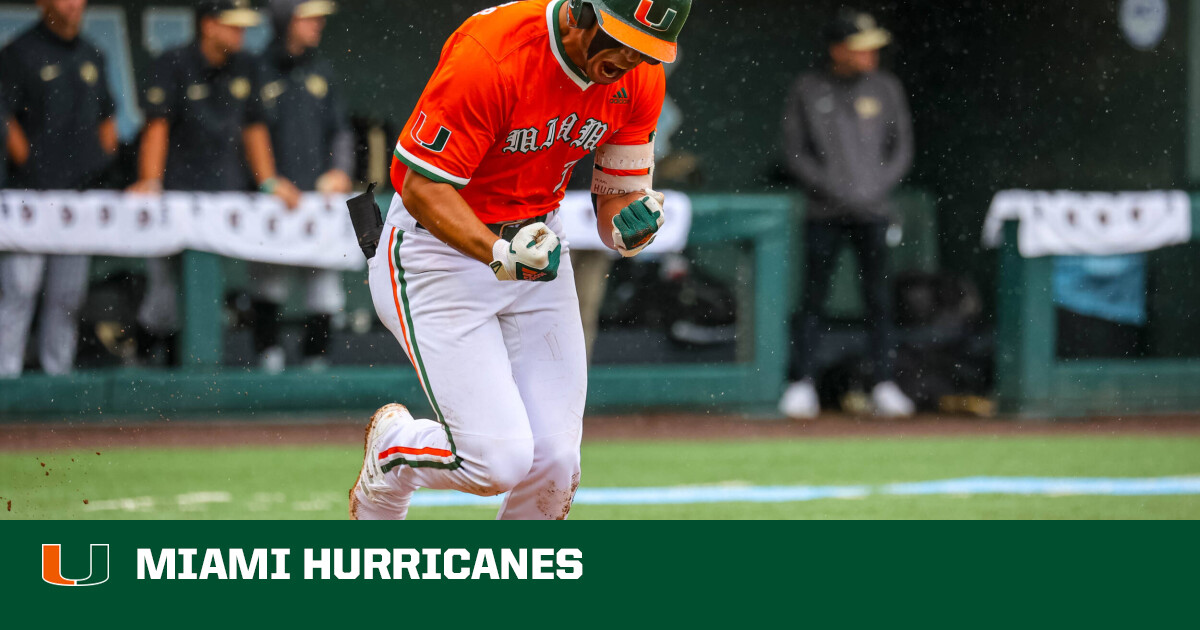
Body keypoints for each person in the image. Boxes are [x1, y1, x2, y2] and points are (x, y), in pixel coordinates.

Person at [349, 0, 690, 520]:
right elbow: (420, 185)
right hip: (436, 253)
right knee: (495, 461)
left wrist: (629, 226)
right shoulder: (493, 53)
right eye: (620, 38)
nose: (629, 58)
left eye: (645, 48)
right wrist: (497, 252)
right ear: (579, 12)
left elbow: (615, 202)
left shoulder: (641, 78)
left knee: (556, 461)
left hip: (538, 244)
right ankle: (394, 450)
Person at [128, 0, 300, 364]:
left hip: (227, 197)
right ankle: (143, 360)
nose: (242, 32)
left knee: (216, 291)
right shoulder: (173, 63)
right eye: (233, 25)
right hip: (176, 196)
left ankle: (198, 371)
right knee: (165, 299)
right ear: (208, 25)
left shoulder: (247, 65)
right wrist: (149, 181)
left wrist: (268, 181)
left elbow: (254, 128)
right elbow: (157, 126)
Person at [778, 8, 915, 418]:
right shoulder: (807, 88)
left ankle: (885, 383)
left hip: (874, 213)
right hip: (823, 212)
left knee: (879, 300)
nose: (869, 56)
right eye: (860, 49)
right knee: (812, 298)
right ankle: (802, 383)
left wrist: (871, 190)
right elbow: (794, 152)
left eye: (873, 50)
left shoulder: (887, 87)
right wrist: (835, 190)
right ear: (837, 49)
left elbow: (901, 149)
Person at [0, 0, 117, 377]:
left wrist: (97, 165)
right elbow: (6, 118)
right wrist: (33, 167)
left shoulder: (92, 54)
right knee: (19, 290)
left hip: (77, 199)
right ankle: (6, 377)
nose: (73, 6)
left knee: (68, 297)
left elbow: (107, 119)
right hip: (30, 198)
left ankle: (57, 380)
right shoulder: (19, 52)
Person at [249, 0, 353, 372]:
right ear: (284, 20)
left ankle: (316, 361)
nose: (317, 23)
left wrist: (340, 170)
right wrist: (268, 181)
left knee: (324, 288)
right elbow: (247, 132)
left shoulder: (320, 68)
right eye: (307, 17)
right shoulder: (257, 68)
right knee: (269, 285)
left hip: (317, 198)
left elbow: (340, 129)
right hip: (271, 200)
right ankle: (268, 358)